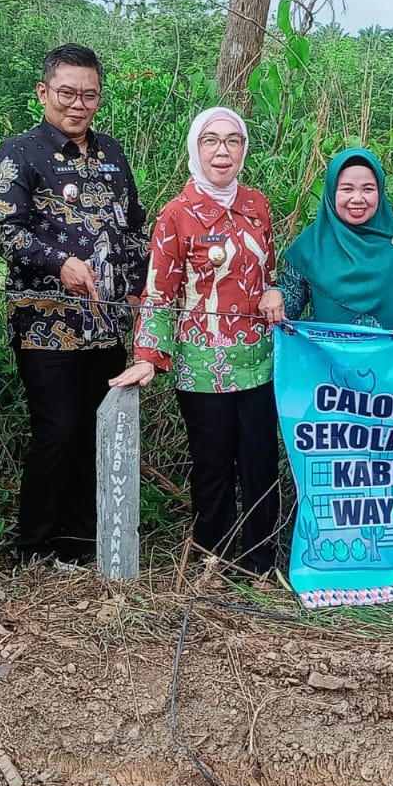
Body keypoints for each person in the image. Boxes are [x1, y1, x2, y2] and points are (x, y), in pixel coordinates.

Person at [0, 43, 148, 568]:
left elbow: (133, 228)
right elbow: (5, 233)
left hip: (106, 323)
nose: (78, 105)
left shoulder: (113, 153)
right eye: (66, 93)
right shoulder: (19, 154)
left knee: (96, 429)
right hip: (45, 325)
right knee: (56, 429)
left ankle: (82, 541)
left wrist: (141, 283)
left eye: (89, 95)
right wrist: (59, 264)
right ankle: (36, 544)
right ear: (44, 92)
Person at [109, 107, 279, 574]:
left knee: (261, 462)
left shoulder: (257, 205)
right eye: (211, 141)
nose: (222, 151)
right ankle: (213, 560)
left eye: (232, 141)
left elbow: (266, 275)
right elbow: (159, 291)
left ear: (244, 148)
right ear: (195, 148)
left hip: (259, 360)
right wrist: (148, 356)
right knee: (213, 465)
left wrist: (272, 291)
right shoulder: (177, 216)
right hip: (202, 366)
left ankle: (260, 561)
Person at [266, 148, 393, 333]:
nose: (357, 198)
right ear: (332, 192)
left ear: (380, 192)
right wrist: (276, 295)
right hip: (329, 358)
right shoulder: (311, 246)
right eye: (347, 189)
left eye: (368, 189)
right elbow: (291, 304)